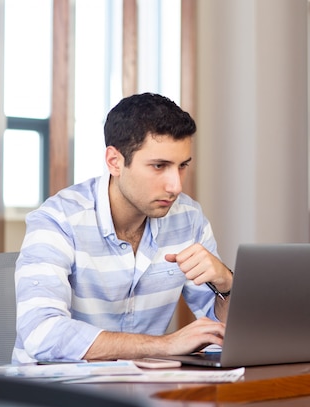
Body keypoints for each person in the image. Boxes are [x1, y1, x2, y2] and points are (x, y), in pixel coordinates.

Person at [13, 93, 233, 364]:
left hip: (142, 392)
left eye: (182, 166)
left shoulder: (188, 218)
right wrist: (163, 345)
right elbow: (41, 333)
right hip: (56, 396)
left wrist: (228, 284)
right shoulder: (58, 219)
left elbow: (222, 331)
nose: (176, 186)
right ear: (115, 162)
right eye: (159, 166)